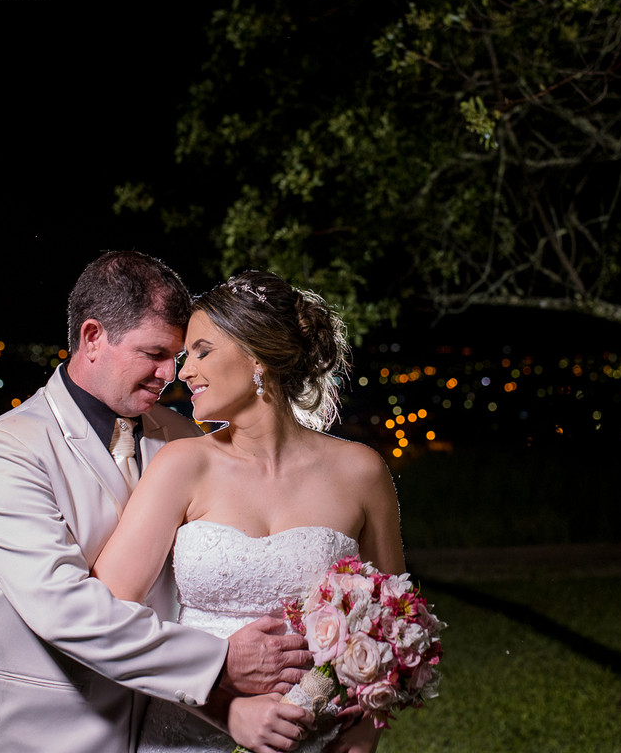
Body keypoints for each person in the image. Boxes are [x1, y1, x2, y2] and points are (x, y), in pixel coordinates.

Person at [0, 252, 312, 753]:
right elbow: (64, 610)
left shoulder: (182, 439)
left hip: (165, 733)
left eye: (178, 355)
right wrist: (219, 663)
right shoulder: (6, 450)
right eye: (154, 353)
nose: (170, 373)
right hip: (43, 736)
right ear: (92, 338)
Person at [93, 270, 406, 753]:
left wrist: (367, 726)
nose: (183, 371)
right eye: (183, 356)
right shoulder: (183, 465)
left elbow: (392, 620)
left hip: (318, 740)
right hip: (191, 734)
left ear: (256, 354)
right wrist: (223, 709)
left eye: (201, 351)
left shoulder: (360, 472)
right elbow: (110, 612)